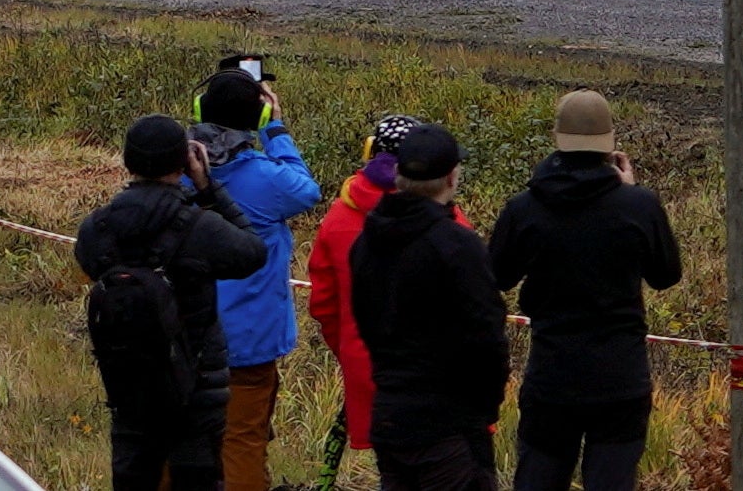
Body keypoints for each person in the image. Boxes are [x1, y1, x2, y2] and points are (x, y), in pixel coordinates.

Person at [488, 91, 683, 491]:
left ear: (557, 137)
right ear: (609, 144)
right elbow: (665, 275)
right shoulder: (639, 206)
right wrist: (631, 192)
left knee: (538, 478)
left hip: (552, 374)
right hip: (620, 377)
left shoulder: (523, 208)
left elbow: (497, 277)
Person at [77, 112, 267, 491]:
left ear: (128, 161)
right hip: (197, 385)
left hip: (129, 380)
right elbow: (252, 252)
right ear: (184, 161)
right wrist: (209, 190)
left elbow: (88, 264)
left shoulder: (97, 228)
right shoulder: (200, 227)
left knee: (132, 478)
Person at [350, 125, 508, 491]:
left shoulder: (367, 241)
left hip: (390, 413)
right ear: (451, 177)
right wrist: (484, 407)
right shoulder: (458, 245)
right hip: (449, 425)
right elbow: (488, 336)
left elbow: (365, 321)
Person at [190, 64, 323, 491]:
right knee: (243, 440)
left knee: (179, 438)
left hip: (184, 334)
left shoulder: (175, 171)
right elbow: (307, 189)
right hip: (248, 342)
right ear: (258, 118)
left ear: (199, 110)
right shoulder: (268, 180)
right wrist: (277, 131)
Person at [307, 114, 431, 476]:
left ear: (370, 150)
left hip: (367, 364)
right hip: (434, 376)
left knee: (393, 472)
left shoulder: (338, 217)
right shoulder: (446, 219)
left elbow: (323, 305)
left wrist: (349, 349)